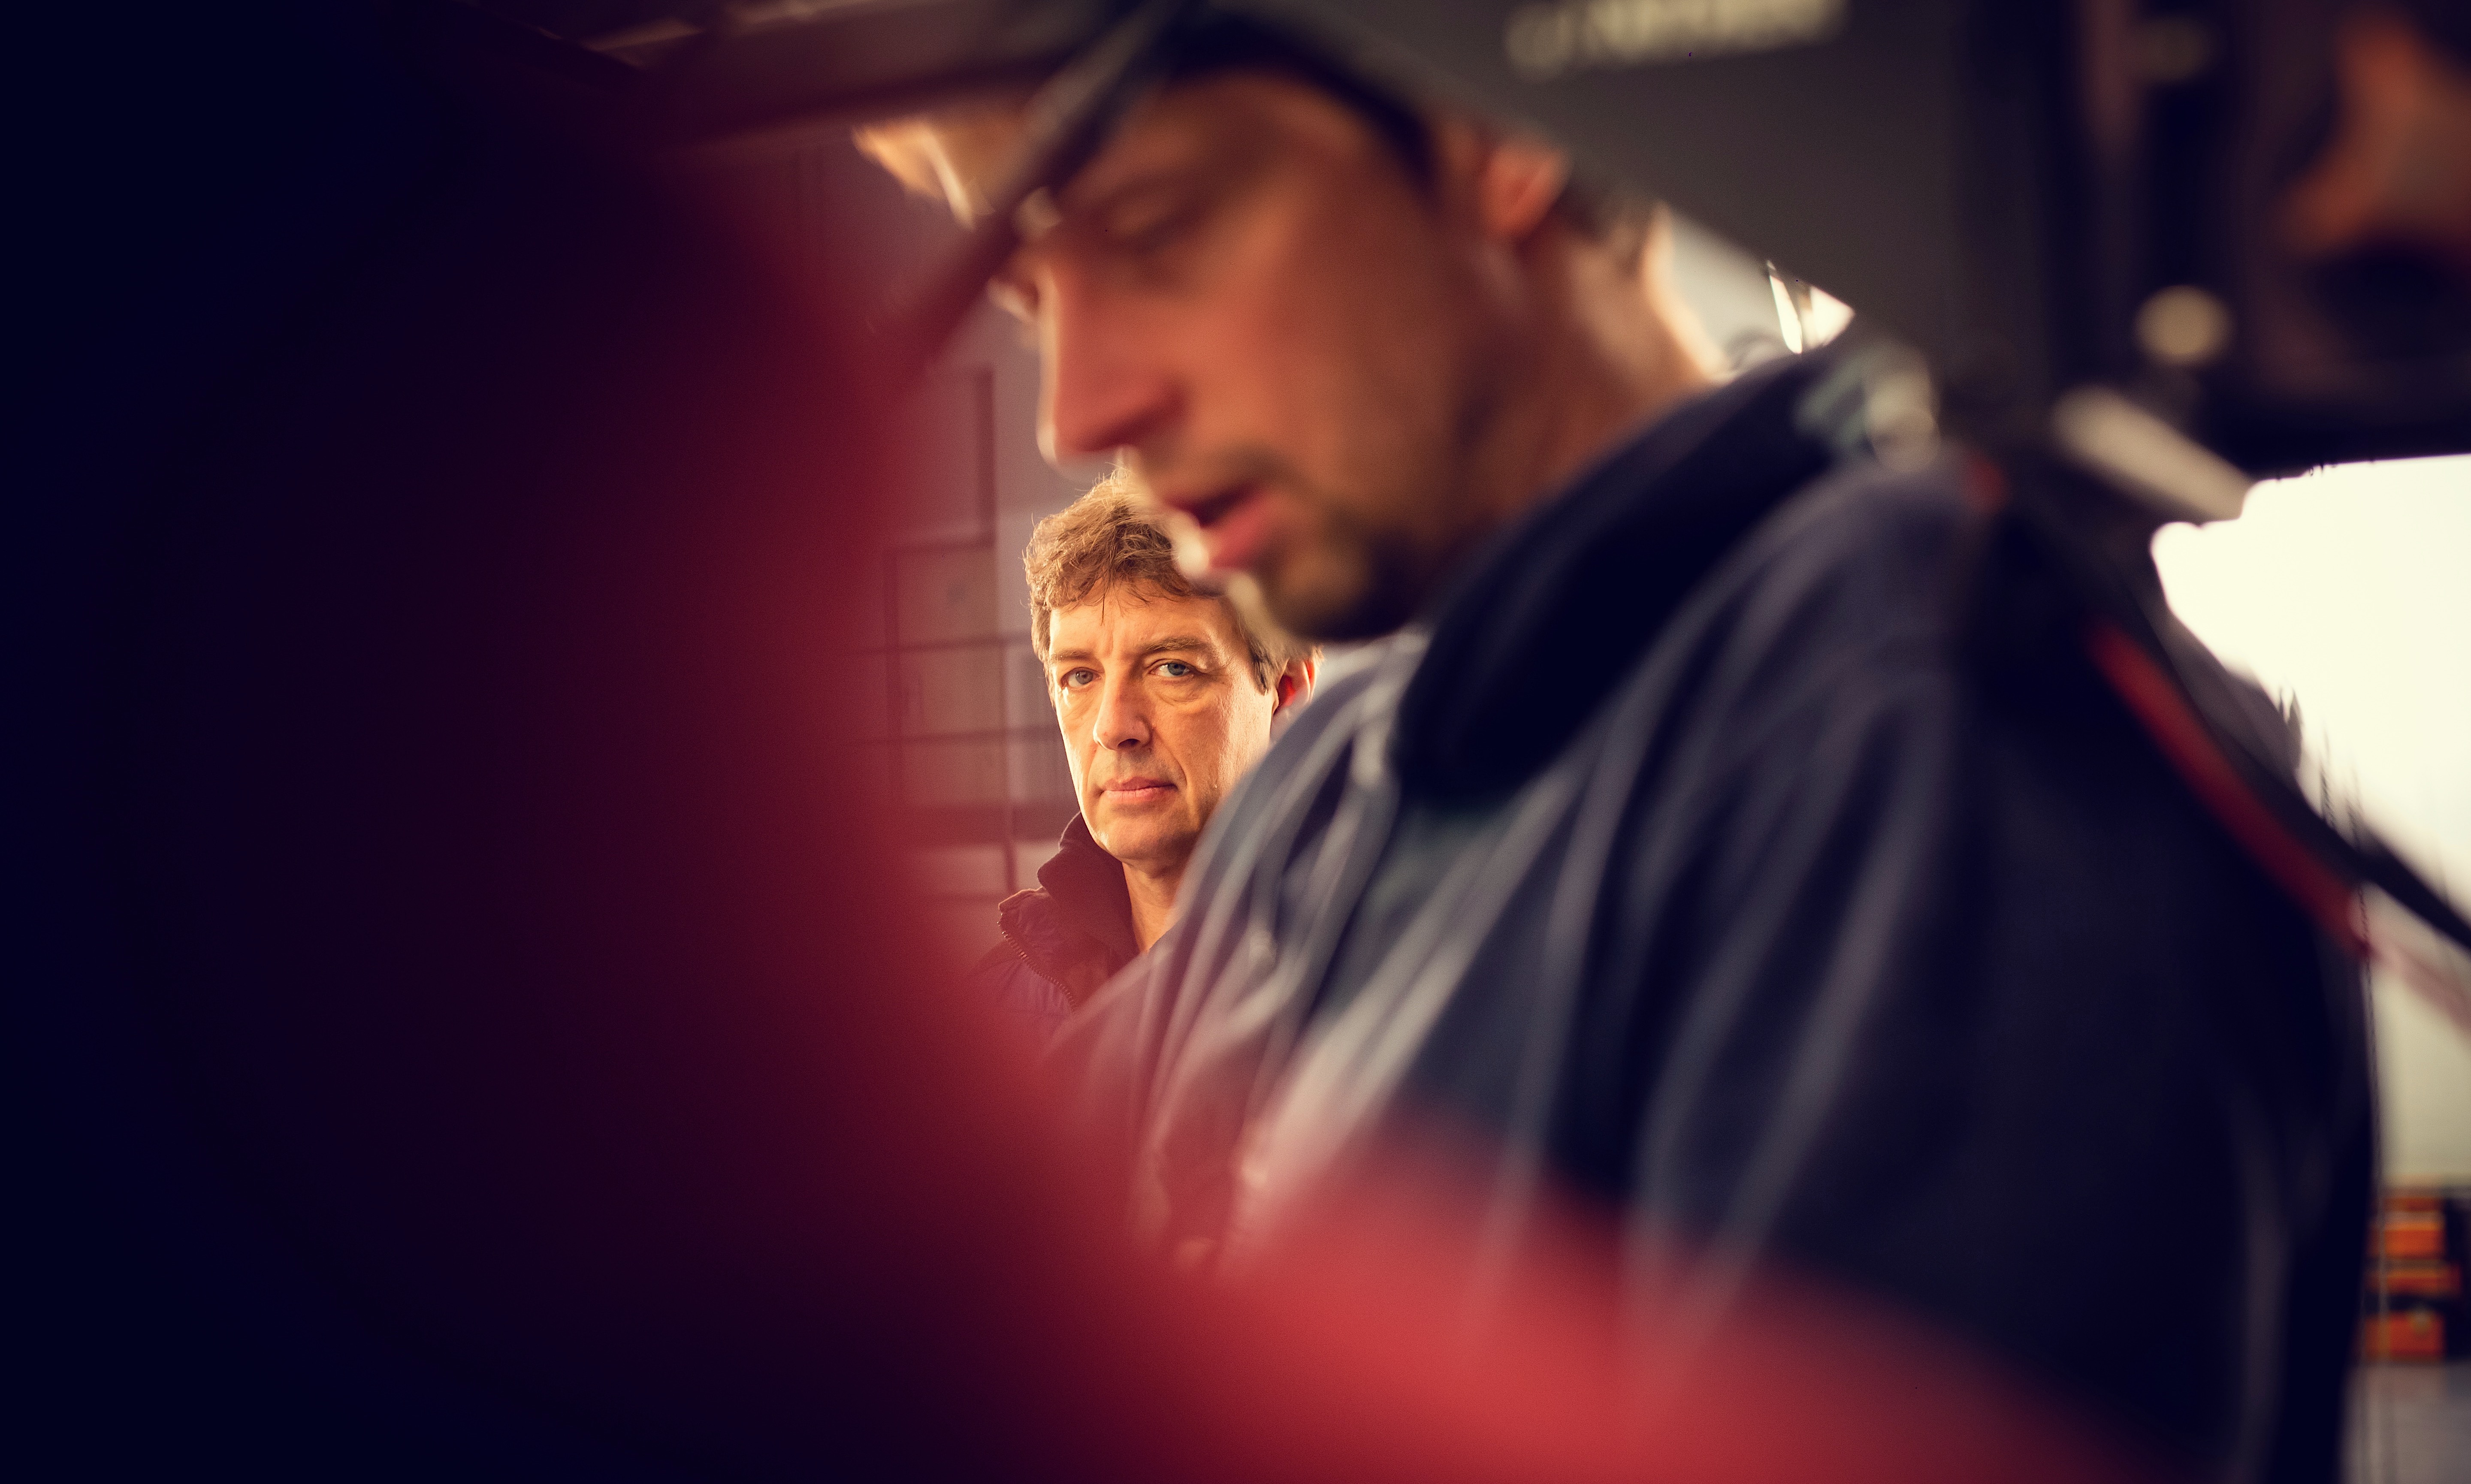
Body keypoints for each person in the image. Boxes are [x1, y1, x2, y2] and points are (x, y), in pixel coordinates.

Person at [864, 15, 2372, 1483]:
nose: (1080, 408)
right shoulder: (1350, 790)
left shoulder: (1923, 733)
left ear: (1492, 139)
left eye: (1155, 233)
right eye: (1032, 305)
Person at [976, 471, 1315, 1043]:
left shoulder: (1390, 989)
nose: (1112, 728)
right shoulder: (991, 1010)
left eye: (1172, 668)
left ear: (1286, 695)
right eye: (1079, 676)